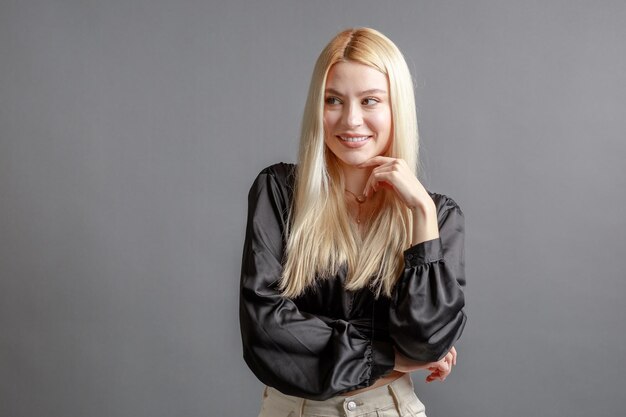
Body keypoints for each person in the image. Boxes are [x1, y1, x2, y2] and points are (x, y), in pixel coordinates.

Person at [239, 27, 466, 417]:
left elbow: (426, 342)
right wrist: (388, 355)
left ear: (396, 108)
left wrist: (421, 214)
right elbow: (266, 332)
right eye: (334, 100)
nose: (351, 120)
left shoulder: (437, 215)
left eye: (370, 100)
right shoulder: (278, 192)